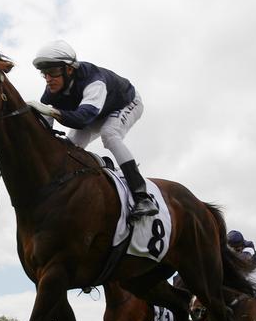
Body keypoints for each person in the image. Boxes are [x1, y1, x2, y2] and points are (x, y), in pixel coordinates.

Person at [28, 39, 158, 219]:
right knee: (70, 149)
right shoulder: (52, 90)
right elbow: (46, 129)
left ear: (69, 69)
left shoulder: (94, 82)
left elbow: (82, 120)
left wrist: (52, 111)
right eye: (44, 74)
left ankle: (142, 196)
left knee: (110, 134)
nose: (49, 79)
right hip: (96, 111)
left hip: (125, 103)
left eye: (53, 72)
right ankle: (104, 168)